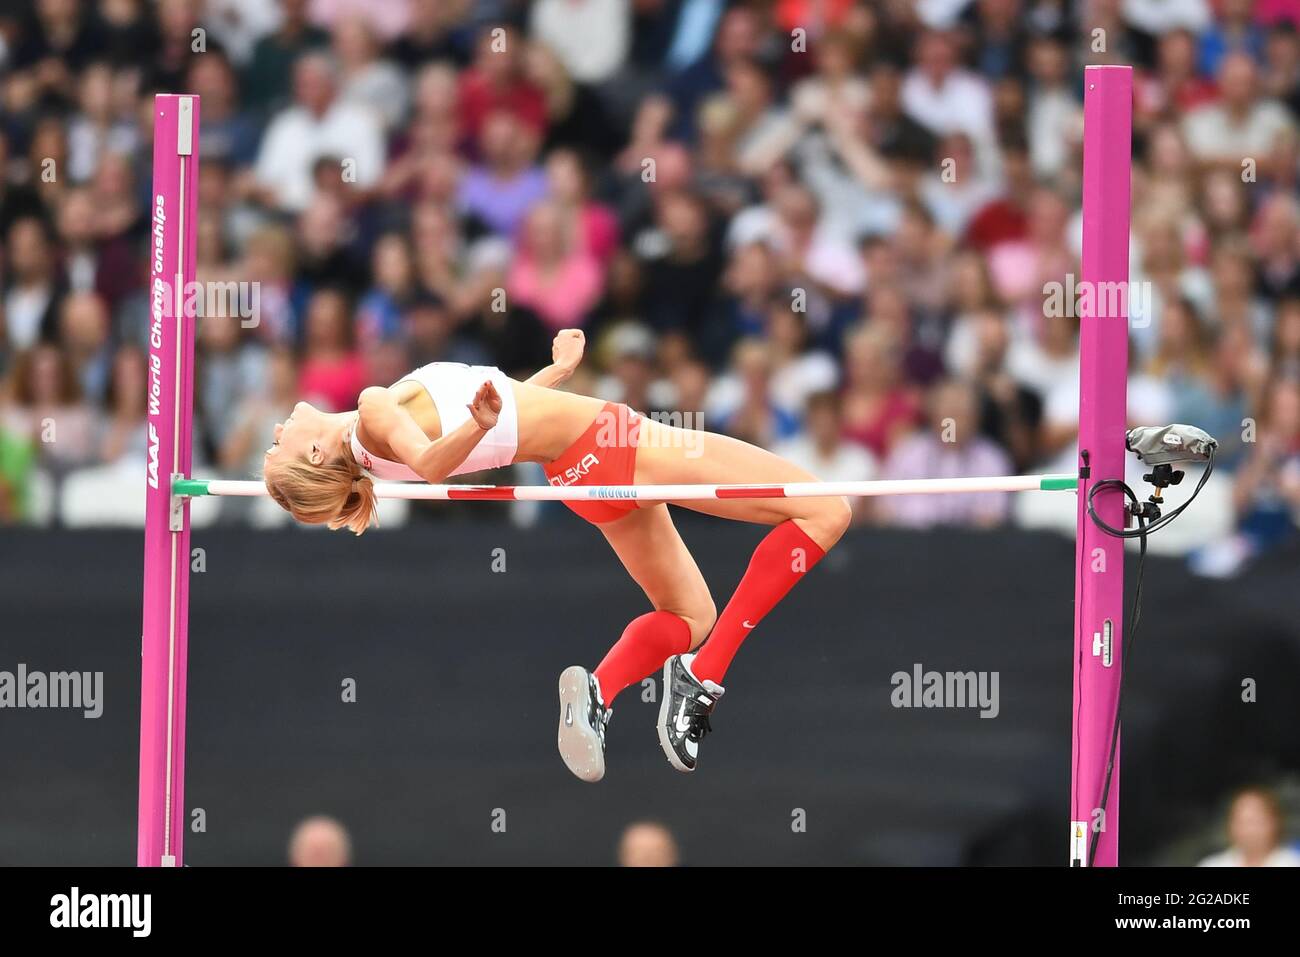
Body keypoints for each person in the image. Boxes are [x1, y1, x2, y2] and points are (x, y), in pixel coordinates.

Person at [262, 329, 850, 781]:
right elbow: (436, 463)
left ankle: (600, 693)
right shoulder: (371, 409)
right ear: (314, 454)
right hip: (614, 443)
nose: (278, 428)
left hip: (577, 477)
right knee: (826, 510)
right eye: (277, 446)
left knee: (691, 616)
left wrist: (556, 372)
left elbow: (503, 419)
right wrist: (479, 420)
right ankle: (705, 676)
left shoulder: (375, 449)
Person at [1198, 787, 1300, 867]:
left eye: (1256, 821)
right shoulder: (1211, 865)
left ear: (1275, 822)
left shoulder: (1293, 863)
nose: (1250, 830)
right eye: (1243, 822)